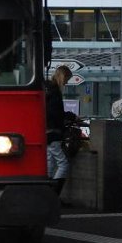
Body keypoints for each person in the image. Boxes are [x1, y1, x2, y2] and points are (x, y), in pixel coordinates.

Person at [45, 65, 72, 193]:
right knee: (63, 164)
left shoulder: (48, 90)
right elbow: (56, 113)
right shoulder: (55, 92)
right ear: (62, 77)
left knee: (50, 162)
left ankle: (46, 191)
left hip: (46, 132)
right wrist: (71, 116)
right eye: (66, 80)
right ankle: (54, 192)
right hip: (53, 132)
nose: (66, 83)